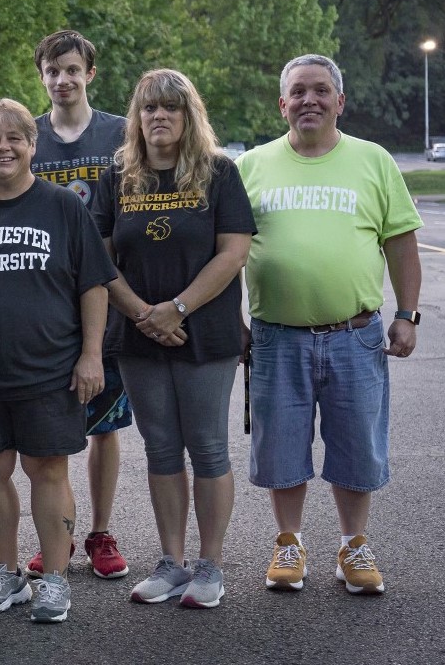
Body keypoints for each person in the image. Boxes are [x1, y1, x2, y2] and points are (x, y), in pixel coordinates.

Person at [236, 54, 422, 596]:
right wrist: (233, 322)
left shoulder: (374, 161)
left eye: (321, 91)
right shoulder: (252, 167)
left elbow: (402, 245)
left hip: (356, 334)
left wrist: (407, 315)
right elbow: (226, 252)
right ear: (283, 103)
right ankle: (288, 542)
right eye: (299, 92)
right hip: (275, 337)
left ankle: (353, 544)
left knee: (357, 447)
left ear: (340, 102)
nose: (309, 100)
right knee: (281, 447)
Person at [0, 98, 113, 624]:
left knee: (47, 469)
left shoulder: (63, 207)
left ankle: (53, 580)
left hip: (50, 368)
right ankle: (5, 572)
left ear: (33, 146)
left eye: (15, 138)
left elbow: (93, 286)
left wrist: (91, 355)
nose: (3, 147)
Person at [92, 69, 255, 609]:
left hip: (205, 331)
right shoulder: (119, 177)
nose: (158, 117)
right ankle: (172, 562)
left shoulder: (218, 173)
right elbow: (101, 258)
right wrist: (144, 313)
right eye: (148, 108)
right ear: (136, 118)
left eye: (170, 108)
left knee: (207, 446)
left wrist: (177, 308)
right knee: (160, 447)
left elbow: (233, 253)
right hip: (138, 334)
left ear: (190, 116)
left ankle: (211, 566)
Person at [26, 30, 133, 580]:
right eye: (53, 71)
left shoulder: (120, 133)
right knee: (51, 430)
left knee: (104, 425)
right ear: (41, 76)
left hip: (107, 301)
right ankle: (57, 536)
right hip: (44, 306)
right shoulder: (29, 135)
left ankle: (100, 531)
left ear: (90, 73)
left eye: (72, 69)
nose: (63, 79)